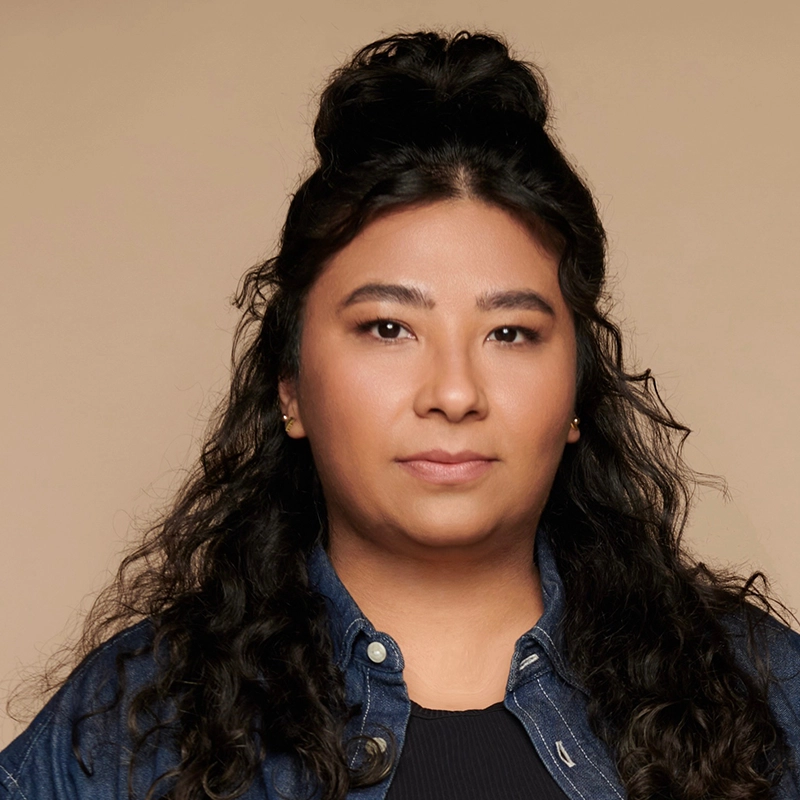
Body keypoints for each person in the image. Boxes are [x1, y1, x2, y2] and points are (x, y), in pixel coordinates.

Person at [1, 28, 798, 800]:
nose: (453, 393)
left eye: (510, 333)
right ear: (289, 384)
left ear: (577, 393)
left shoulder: (766, 697)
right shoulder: (131, 731)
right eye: (388, 328)